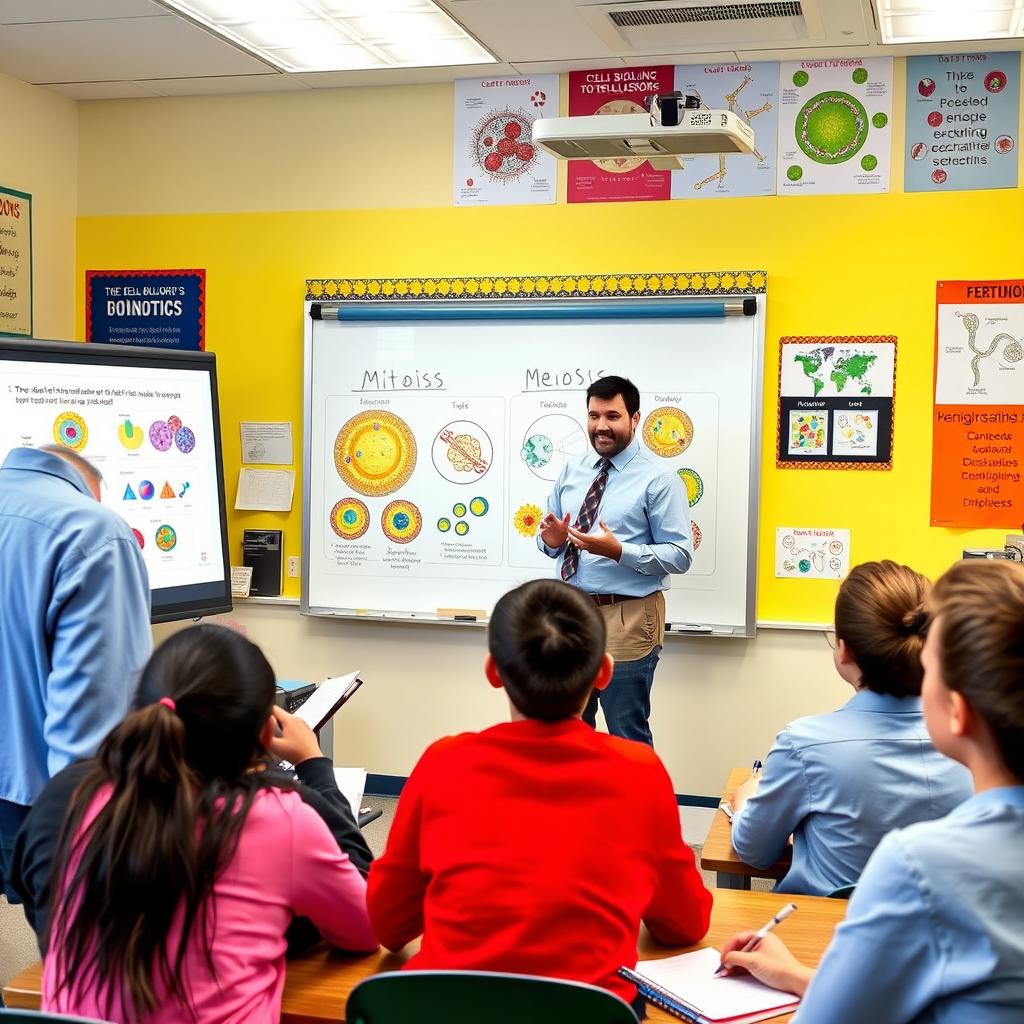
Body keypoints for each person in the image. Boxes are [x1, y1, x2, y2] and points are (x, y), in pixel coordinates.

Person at [366, 578, 712, 1013]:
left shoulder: (444, 763)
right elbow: (686, 924)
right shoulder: (639, 772)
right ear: (604, 672)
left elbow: (388, 925)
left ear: (493, 671)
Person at [719, 559, 1024, 1023]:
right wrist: (804, 979)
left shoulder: (915, 863)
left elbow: (753, 850)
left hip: (818, 934)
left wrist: (745, 800)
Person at [37, 624, 376, 1024]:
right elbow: (368, 926)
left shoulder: (92, 799)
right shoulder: (280, 818)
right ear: (266, 733)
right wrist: (314, 765)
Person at [730, 560, 971, 895]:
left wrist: (746, 800)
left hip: (825, 939)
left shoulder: (804, 744)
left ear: (844, 650)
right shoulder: (976, 742)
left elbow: (755, 852)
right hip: (943, 937)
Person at [0, 444, 151, 901]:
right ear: (87, 486)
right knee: (77, 962)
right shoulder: (93, 530)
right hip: (36, 802)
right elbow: (97, 714)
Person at [537, 376, 692, 745]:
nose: (601, 426)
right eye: (593, 416)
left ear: (634, 418)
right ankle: (578, 805)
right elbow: (551, 536)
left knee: (627, 735)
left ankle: (637, 804)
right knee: (569, 732)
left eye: (612, 416)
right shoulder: (573, 471)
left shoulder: (659, 480)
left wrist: (618, 551)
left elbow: (681, 555)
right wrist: (552, 542)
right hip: (569, 616)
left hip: (627, 617)